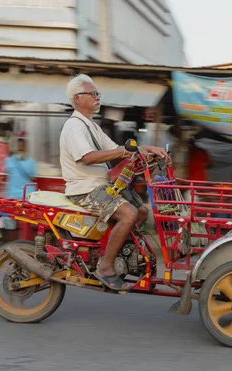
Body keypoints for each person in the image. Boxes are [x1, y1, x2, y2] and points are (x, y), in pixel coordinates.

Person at [59, 74, 167, 291]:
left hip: (101, 186)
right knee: (129, 214)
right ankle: (106, 266)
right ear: (78, 98)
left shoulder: (91, 126)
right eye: (93, 94)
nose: (98, 97)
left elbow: (121, 150)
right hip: (85, 188)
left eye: (98, 94)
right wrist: (123, 150)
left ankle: (118, 254)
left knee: (142, 212)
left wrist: (151, 150)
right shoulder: (74, 127)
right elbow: (87, 157)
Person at [4, 136, 37, 241]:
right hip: (27, 195)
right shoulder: (31, 162)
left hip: (12, 195)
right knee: (27, 220)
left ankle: (11, 243)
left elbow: (5, 172)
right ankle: (26, 243)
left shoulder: (9, 160)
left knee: (10, 219)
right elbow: (33, 177)